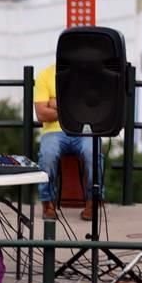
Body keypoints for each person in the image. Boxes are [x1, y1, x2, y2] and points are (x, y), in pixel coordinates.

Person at [33, 63, 103, 221]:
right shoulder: (45, 74)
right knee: (48, 154)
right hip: (54, 132)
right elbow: (42, 114)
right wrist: (73, 109)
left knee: (93, 152)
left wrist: (56, 103)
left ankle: (93, 202)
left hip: (84, 130)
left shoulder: (89, 76)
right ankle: (47, 203)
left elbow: (92, 109)